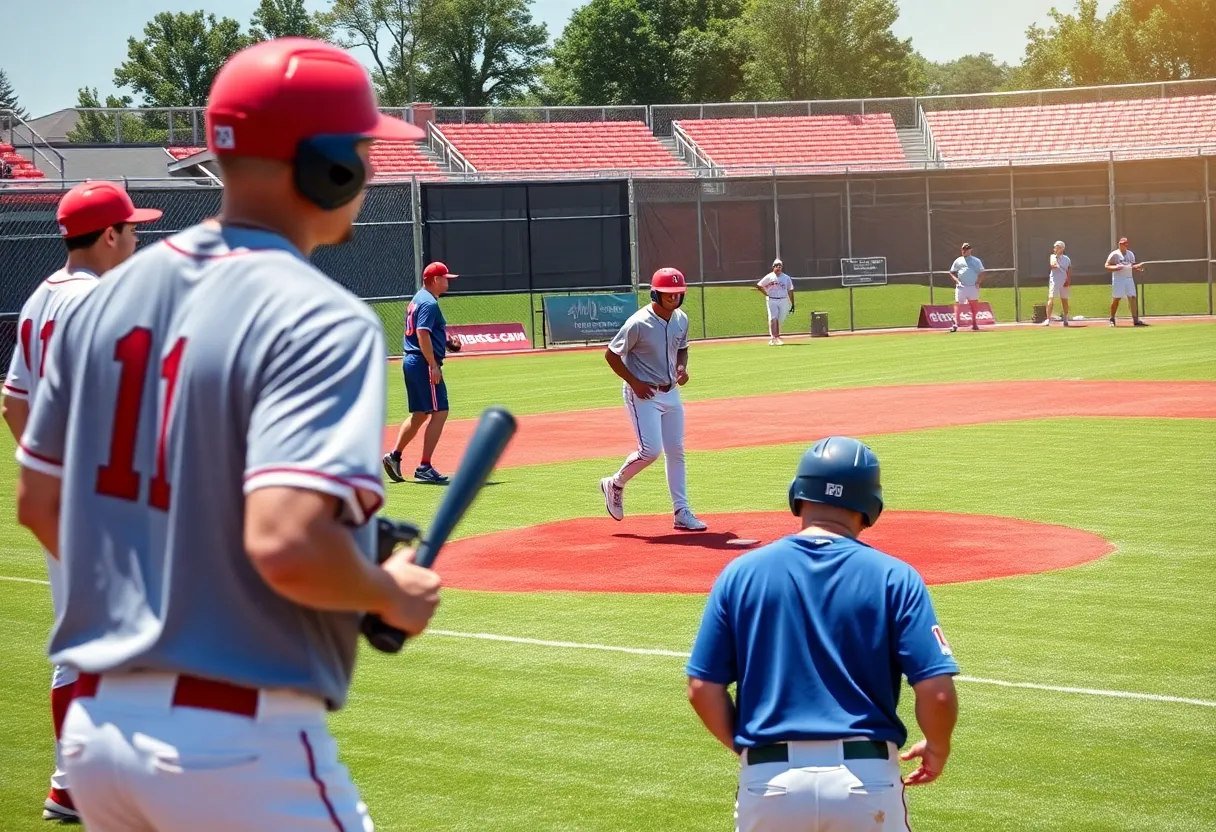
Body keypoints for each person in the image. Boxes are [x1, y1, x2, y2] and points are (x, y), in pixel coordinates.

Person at [15, 37, 441, 831]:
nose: (372, 168)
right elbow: (286, 544)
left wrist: (174, 579)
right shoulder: (318, 317)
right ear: (325, 167)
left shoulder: (101, 298)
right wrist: (389, 591)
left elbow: (41, 504)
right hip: (232, 746)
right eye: (362, 149)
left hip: (97, 737)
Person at [686, 436, 960, 832]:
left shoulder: (741, 574)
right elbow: (936, 691)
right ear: (871, 506)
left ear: (798, 495)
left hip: (769, 786)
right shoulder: (895, 577)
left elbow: (701, 688)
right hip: (865, 785)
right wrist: (938, 746)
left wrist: (751, 750)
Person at [3, 179, 163, 823]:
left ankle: (72, 784)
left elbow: (14, 401)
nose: (137, 237)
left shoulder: (39, 297)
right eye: (131, 228)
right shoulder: (105, 302)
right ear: (107, 235)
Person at [599, 267, 707, 532]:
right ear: (655, 294)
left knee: (676, 450)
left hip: (670, 392)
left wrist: (681, 368)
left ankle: (681, 511)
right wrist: (634, 383)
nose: (674, 298)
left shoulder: (681, 319)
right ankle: (615, 483)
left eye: (678, 293)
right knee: (650, 451)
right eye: (668, 293)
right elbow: (612, 355)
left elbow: (682, 349)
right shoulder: (638, 323)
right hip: (643, 393)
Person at [383, 261, 457, 485]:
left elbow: (426, 333)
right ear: (435, 280)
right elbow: (422, 334)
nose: (447, 281)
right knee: (440, 411)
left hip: (413, 361)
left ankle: (394, 456)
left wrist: (446, 342)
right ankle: (424, 466)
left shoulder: (419, 299)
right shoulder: (429, 303)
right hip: (423, 363)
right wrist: (433, 364)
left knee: (420, 414)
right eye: (445, 278)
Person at [1105, 236, 1148, 327]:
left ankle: (1135, 319)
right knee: (1117, 298)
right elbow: (1107, 266)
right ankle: (1112, 318)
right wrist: (1116, 267)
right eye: (1121, 243)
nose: (1122, 245)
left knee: (1132, 297)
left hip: (1129, 278)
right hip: (1118, 279)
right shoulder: (1114, 254)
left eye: (1124, 243)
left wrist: (1137, 267)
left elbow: (1132, 266)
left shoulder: (1130, 254)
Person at [755, 258, 795, 345]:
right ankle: (775, 337)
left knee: (780, 319)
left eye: (780, 266)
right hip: (772, 300)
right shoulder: (769, 276)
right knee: (774, 318)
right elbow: (759, 285)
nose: (778, 268)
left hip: (783, 300)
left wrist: (792, 304)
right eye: (777, 266)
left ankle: (776, 336)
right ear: (773, 267)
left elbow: (790, 290)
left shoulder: (786, 278)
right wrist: (766, 294)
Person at [948, 242, 985, 332]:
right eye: (963, 249)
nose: (964, 251)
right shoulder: (958, 260)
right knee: (958, 304)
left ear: (970, 250)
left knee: (974, 305)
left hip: (972, 286)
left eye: (966, 249)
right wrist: (957, 281)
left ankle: (974, 323)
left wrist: (978, 282)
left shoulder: (976, 261)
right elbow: (951, 272)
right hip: (961, 286)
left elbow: (982, 273)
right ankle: (955, 324)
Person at [1043, 240, 1072, 326]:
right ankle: (1048, 319)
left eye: (1057, 247)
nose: (1055, 249)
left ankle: (1065, 319)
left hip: (1064, 282)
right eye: (1055, 247)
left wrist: (1068, 281)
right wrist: (1056, 261)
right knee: (1051, 299)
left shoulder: (1067, 259)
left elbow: (1069, 270)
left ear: (1062, 248)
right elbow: (1052, 265)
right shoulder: (1052, 256)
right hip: (1054, 281)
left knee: (1064, 300)